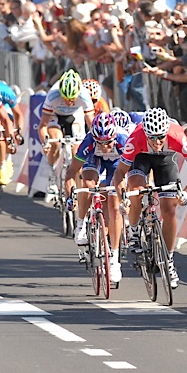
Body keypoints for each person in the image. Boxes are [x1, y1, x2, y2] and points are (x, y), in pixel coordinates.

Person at [113, 108, 187, 290]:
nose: (156, 142)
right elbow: (120, 172)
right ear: (145, 133)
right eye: (152, 137)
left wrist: (186, 192)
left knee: (170, 208)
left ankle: (169, 259)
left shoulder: (177, 135)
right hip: (141, 157)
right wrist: (123, 197)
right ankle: (133, 232)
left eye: (160, 137)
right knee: (137, 190)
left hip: (165, 159)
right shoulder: (136, 137)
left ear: (166, 132)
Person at [66, 112, 129, 283]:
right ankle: (81, 224)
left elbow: (133, 171)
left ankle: (114, 260)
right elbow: (71, 172)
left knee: (114, 206)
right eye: (100, 142)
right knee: (89, 184)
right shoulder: (89, 143)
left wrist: (126, 195)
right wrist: (70, 197)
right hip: (94, 160)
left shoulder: (124, 140)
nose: (104, 146)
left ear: (114, 136)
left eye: (108, 142)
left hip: (117, 164)